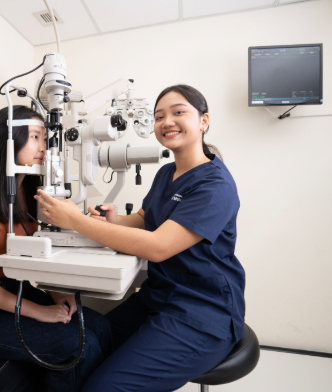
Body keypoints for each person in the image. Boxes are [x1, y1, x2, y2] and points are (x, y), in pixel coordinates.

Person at [34, 85, 246, 392]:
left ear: (203, 121)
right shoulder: (167, 173)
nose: (167, 121)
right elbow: (147, 219)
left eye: (178, 112)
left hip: (202, 313)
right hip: (157, 298)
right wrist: (115, 220)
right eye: (159, 116)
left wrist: (76, 221)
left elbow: (158, 246)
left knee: (103, 387)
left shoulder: (215, 185)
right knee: (86, 346)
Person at [0, 105, 112, 392]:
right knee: (78, 347)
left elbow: (34, 257)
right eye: (35, 137)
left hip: (17, 292)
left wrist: (57, 295)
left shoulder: (28, 194)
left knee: (99, 327)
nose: (44, 148)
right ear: (8, 141)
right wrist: (38, 311)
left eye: (45, 139)